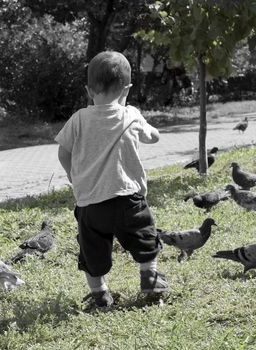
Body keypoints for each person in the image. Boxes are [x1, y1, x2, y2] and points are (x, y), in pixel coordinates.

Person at [55, 51, 168, 311]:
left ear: (88, 89)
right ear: (126, 88)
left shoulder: (79, 119)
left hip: (91, 205)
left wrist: (75, 179)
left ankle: (100, 296)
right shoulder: (131, 115)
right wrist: (135, 113)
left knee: (91, 252)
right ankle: (150, 278)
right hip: (129, 200)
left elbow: (63, 152)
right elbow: (155, 137)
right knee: (145, 240)